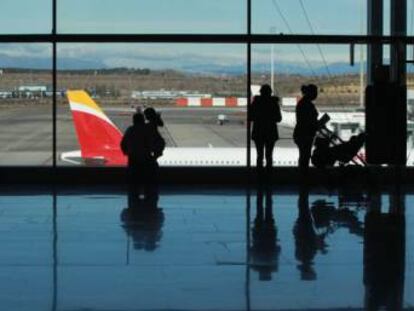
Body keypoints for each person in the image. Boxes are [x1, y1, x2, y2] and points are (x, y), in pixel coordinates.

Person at [249, 84, 282, 180]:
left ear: (261, 92)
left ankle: (259, 177)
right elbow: (279, 118)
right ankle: (269, 176)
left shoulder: (256, 103)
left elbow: (251, 117)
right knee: (269, 156)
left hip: (258, 132)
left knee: (259, 156)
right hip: (270, 132)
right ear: (270, 93)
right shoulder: (273, 103)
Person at [120, 112, 152, 199]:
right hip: (145, 157)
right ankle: (147, 195)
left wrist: (125, 152)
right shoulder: (147, 130)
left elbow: (123, 143)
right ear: (142, 120)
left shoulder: (131, 129)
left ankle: (134, 195)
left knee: (134, 178)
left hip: (133, 157)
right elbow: (152, 142)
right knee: (146, 178)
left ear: (134, 120)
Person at [293, 84, 319, 174]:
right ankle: (303, 175)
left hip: (302, 133)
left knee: (304, 156)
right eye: (315, 92)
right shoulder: (306, 104)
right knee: (305, 156)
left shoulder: (303, 103)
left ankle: (303, 175)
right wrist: (316, 124)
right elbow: (307, 121)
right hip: (305, 134)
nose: (316, 95)